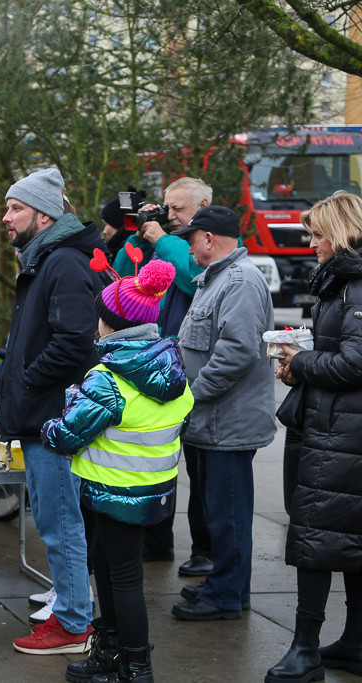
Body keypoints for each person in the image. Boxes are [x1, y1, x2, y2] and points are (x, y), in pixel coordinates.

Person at [44, 257, 194, 683]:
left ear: (109, 323)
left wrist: (59, 413)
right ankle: (111, 653)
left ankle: (134, 667)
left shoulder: (108, 378)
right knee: (108, 568)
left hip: (114, 492)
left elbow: (63, 437)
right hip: (150, 490)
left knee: (121, 578)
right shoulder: (169, 367)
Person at [0, 168, 103, 654]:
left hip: (55, 418)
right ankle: (72, 616)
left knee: (62, 525)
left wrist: (27, 380)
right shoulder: (44, 259)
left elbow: (76, 343)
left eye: (15, 208)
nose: (6, 217)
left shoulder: (61, 262)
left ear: (44, 215)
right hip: (42, 414)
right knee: (55, 522)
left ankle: (74, 624)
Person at [266, 191, 362, 682]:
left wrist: (299, 364)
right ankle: (355, 643)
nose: (312, 243)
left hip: (342, 434)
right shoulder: (342, 283)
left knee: (316, 539)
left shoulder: (355, 286)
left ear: (342, 234)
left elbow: (356, 362)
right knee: (346, 538)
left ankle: (304, 652)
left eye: (319, 234)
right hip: (338, 428)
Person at [169, 205, 275, 622]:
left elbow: (237, 352)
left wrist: (191, 397)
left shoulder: (239, 281)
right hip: (214, 423)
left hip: (226, 422)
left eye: (193, 239)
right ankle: (226, 587)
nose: (190, 248)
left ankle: (226, 596)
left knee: (227, 514)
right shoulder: (216, 280)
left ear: (209, 239)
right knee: (218, 512)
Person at [112, 177, 212, 572]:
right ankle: (156, 541)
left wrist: (161, 237)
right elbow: (121, 281)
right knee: (157, 460)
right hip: (155, 366)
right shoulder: (161, 243)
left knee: (202, 472)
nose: (171, 216)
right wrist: (137, 238)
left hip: (193, 371)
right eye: (167, 209)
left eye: (179, 209)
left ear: (203, 206)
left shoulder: (212, 243)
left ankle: (205, 551)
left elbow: (192, 276)